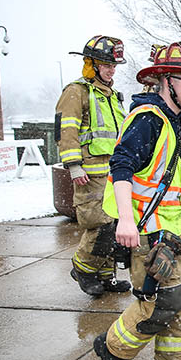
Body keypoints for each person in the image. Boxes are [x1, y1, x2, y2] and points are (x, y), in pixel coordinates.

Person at [93, 40, 181, 360]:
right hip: (148, 229)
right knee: (164, 301)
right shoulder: (147, 120)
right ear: (165, 81)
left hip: (177, 228)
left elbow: (179, 181)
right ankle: (113, 349)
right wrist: (127, 222)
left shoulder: (180, 124)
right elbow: (121, 168)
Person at [55, 35, 131, 297]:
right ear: (92, 64)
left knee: (114, 225)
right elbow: (66, 130)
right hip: (88, 174)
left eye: (114, 66)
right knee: (99, 225)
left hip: (112, 174)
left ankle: (106, 276)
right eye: (107, 65)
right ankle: (83, 268)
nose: (112, 70)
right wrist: (74, 165)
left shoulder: (111, 95)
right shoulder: (77, 91)